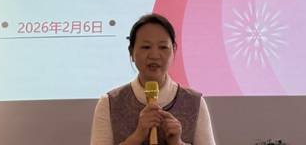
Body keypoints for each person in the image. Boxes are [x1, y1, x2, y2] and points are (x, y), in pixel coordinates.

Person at [90, 13, 217, 145]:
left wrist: (177, 143)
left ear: (174, 51)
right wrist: (137, 136)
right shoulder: (110, 103)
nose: (154, 55)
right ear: (131, 52)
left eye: (163, 47)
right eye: (146, 47)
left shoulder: (194, 102)